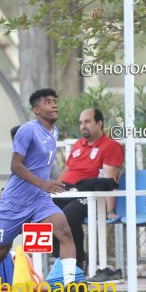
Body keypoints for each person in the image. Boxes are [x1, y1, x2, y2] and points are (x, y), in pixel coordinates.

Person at [0, 88, 79, 292]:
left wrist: (49, 184)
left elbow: (42, 165)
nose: (54, 105)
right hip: (14, 203)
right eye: (47, 102)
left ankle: (71, 285)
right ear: (37, 110)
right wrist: (42, 183)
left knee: (64, 230)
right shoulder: (27, 131)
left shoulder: (54, 131)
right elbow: (15, 166)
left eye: (55, 101)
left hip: (39, 200)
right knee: (1, 250)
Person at [52, 108, 124, 275]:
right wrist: (51, 188)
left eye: (87, 121)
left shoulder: (110, 146)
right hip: (65, 191)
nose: (83, 126)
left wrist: (110, 209)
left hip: (88, 194)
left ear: (99, 123)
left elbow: (109, 179)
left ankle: (78, 262)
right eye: (80, 122)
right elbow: (66, 170)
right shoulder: (78, 144)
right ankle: (60, 261)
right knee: (44, 212)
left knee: (67, 217)